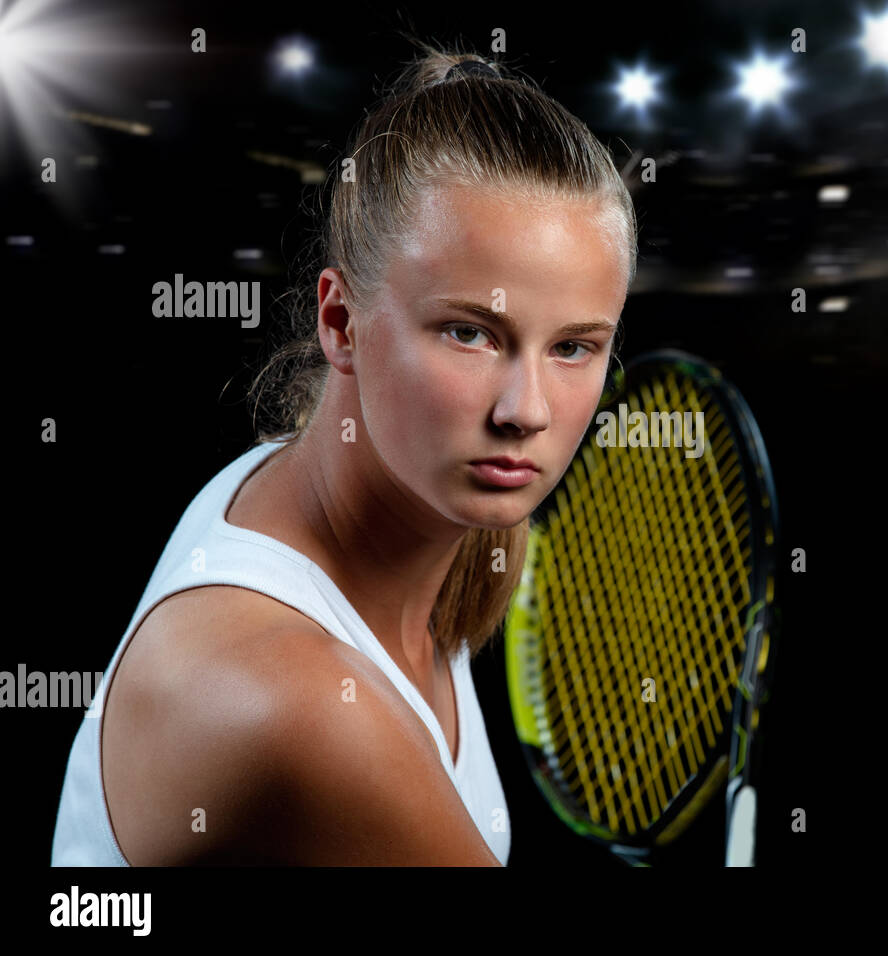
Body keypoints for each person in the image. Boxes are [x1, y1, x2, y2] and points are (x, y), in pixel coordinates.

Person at [50, 41, 636, 865]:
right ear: (339, 322)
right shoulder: (310, 706)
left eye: (575, 347)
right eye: (469, 333)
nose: (526, 412)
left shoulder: (346, 488)